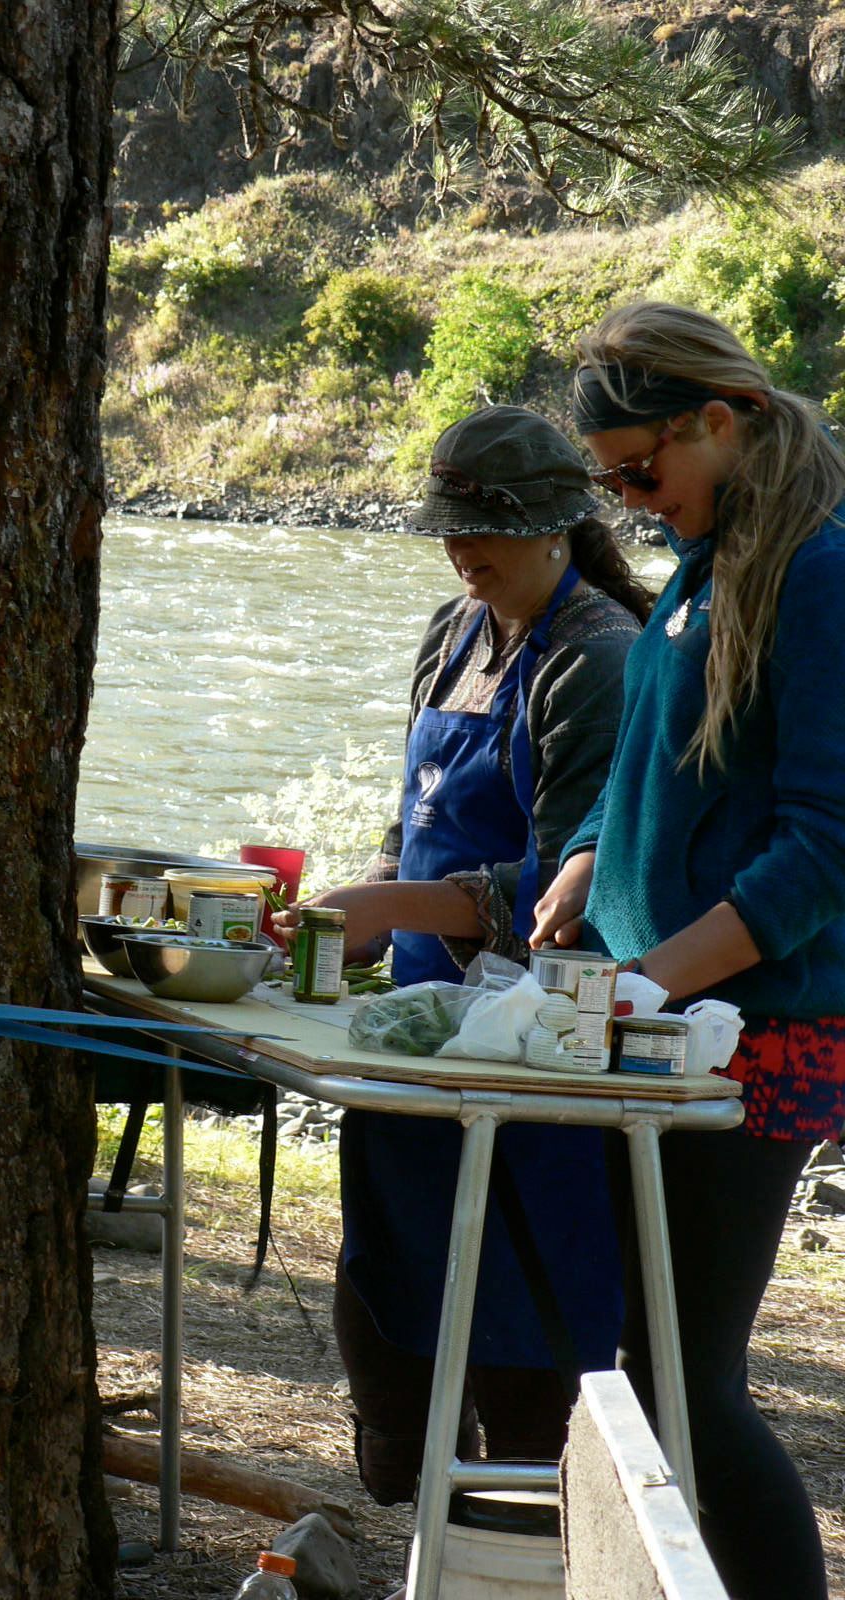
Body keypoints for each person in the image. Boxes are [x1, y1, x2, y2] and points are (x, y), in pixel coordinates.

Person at [276, 405, 653, 1509]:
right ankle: (402, 1486)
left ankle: (515, 1532)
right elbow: (417, 819)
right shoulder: (453, 630)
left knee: (522, 1310)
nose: (461, 550)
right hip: (420, 1029)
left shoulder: (599, 662)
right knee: (391, 1274)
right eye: (449, 528)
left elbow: (578, 891)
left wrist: (387, 900)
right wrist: (347, 928)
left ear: (560, 525)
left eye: (485, 529)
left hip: (536, 1049)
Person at [533, 300, 845, 1600]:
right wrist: (589, 857)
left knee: (684, 1379)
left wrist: (661, 972)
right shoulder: (705, 557)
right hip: (653, 1024)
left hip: (751, 1036)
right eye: (608, 485)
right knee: (624, 1360)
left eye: (642, 472)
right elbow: (656, 760)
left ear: (721, 421)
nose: (633, 502)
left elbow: (826, 845)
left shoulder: (821, 570)